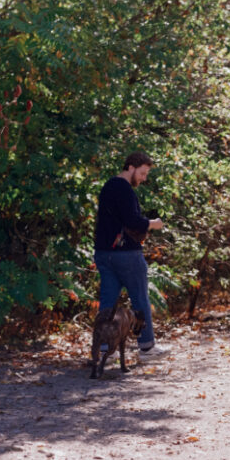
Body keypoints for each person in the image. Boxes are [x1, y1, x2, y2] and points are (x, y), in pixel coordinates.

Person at [93, 151, 168, 358]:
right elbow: (132, 221)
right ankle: (146, 346)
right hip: (125, 253)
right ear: (131, 167)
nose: (143, 179)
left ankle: (106, 348)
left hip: (104, 252)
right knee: (140, 298)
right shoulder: (124, 189)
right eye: (142, 173)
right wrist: (154, 224)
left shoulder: (108, 186)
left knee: (108, 300)